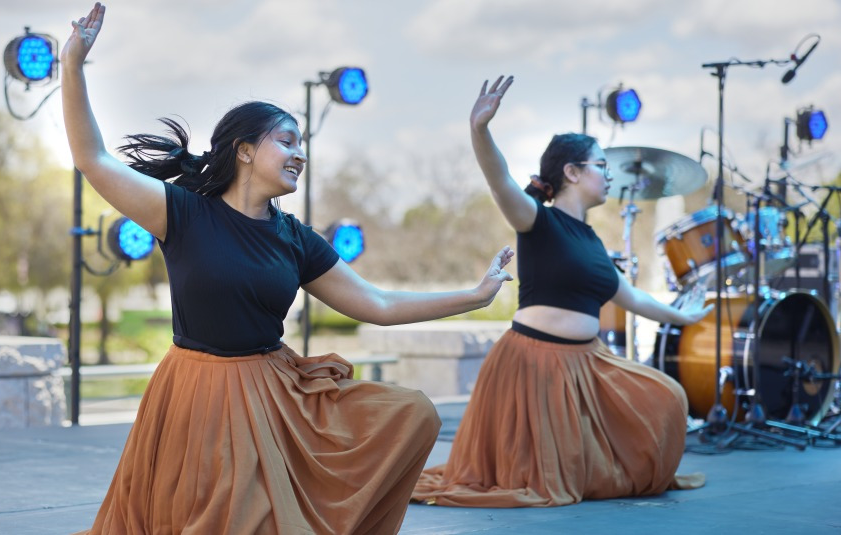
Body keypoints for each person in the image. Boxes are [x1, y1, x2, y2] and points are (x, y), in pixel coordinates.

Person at [62, 5, 517, 533]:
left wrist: (477, 295)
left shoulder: (295, 237)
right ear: (246, 151)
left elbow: (380, 306)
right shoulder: (182, 213)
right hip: (196, 393)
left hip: (272, 390)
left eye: (302, 144)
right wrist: (73, 64)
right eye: (287, 141)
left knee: (412, 412)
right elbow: (92, 157)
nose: (300, 154)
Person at [411, 75, 712, 508]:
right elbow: (500, 180)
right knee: (541, 483)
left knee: (667, 396)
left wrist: (686, 316)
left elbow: (635, 299)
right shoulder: (538, 220)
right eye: (601, 166)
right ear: (571, 172)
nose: (610, 175)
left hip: (587, 364)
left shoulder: (592, 243)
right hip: (533, 364)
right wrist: (480, 130)